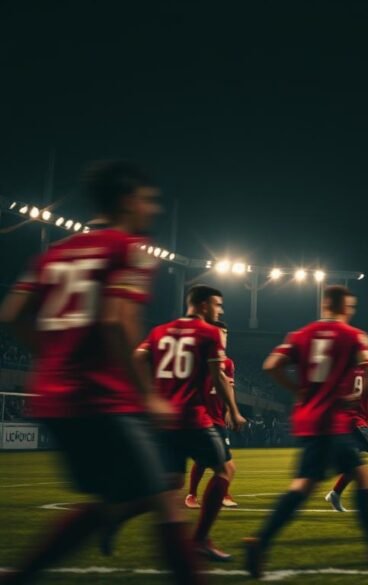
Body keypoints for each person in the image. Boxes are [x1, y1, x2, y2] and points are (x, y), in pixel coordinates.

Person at [0, 160, 204, 584]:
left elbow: (13, 313)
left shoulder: (54, 253)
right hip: (102, 400)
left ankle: (21, 575)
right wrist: (146, 394)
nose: (154, 209)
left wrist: (53, 357)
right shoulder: (125, 248)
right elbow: (116, 321)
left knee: (116, 499)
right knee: (165, 499)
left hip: (55, 401)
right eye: (149, 200)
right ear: (128, 199)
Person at [244, 285, 368, 577]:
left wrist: (299, 391)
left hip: (307, 419)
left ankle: (260, 542)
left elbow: (271, 365)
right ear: (342, 306)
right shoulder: (353, 336)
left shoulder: (301, 334)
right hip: (334, 420)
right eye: (350, 306)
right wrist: (354, 398)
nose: (351, 311)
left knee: (303, 486)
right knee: (359, 475)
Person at [135, 285, 246, 562]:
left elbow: (137, 358)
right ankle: (200, 540)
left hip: (164, 420)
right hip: (192, 416)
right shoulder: (208, 333)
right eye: (217, 304)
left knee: (170, 485)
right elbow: (218, 378)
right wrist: (234, 410)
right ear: (204, 304)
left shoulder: (159, 331)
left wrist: (148, 395)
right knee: (225, 470)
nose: (219, 310)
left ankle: (112, 515)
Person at [323, 372, 368, 516]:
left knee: (354, 464)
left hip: (357, 419)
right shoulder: (352, 365)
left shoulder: (359, 365)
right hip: (353, 420)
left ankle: (335, 494)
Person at [186, 321, 239, 510]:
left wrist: (229, 412)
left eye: (226, 333)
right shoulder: (200, 358)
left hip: (218, 416)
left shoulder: (228, 362)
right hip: (202, 415)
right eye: (220, 332)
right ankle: (196, 495)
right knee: (217, 463)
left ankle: (215, 495)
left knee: (214, 462)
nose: (224, 336)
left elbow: (228, 388)